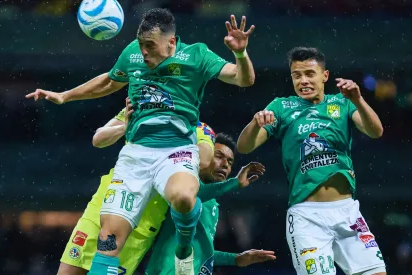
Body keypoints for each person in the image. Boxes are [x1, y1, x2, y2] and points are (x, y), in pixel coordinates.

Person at [26, 8, 256, 275]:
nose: (144, 52)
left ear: (171, 42)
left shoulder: (197, 55)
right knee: (108, 239)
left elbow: (244, 79)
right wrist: (65, 96)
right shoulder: (132, 54)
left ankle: (184, 248)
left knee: (183, 197)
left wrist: (240, 53)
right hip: (135, 155)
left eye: (150, 46)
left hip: (176, 149)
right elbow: (110, 82)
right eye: (141, 45)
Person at [236, 47, 386, 275]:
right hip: (307, 217)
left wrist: (358, 99)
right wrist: (255, 122)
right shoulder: (281, 107)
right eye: (297, 75)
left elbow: (376, 131)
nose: (303, 80)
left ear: (324, 76)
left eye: (309, 74)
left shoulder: (343, 103)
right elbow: (244, 147)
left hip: (348, 213)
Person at [58, 99, 218, 275]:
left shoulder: (198, 127)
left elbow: (203, 161)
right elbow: (98, 139)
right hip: (105, 207)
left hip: (141, 227)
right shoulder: (138, 109)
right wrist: (125, 127)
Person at [145, 133, 276, 274]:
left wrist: (236, 259)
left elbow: (200, 252)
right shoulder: (179, 185)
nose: (225, 164)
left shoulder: (212, 203)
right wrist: (235, 182)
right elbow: (190, 196)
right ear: (204, 157)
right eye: (219, 156)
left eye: (230, 162)